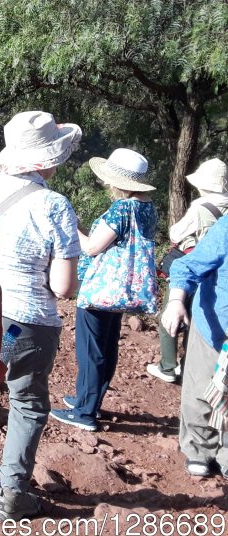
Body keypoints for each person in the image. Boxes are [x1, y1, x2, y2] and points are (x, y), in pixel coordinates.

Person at [0, 111, 81, 521]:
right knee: (27, 403)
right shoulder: (54, 204)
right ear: (48, 160)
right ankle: (11, 492)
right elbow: (63, 287)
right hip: (28, 320)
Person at [51, 148, 158, 432]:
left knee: (92, 350)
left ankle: (86, 412)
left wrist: (71, 226)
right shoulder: (147, 207)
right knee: (107, 347)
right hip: (122, 289)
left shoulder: (123, 208)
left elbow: (91, 247)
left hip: (101, 290)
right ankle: (88, 398)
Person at [147, 159, 228, 383]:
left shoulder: (200, 207)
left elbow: (175, 234)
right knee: (198, 317)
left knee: (171, 314)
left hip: (192, 267)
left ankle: (168, 366)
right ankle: (189, 365)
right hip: (216, 275)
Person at [164, 218, 228, 477]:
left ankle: (225, 453)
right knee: (201, 388)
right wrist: (176, 301)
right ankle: (198, 449)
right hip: (214, 325)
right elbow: (187, 266)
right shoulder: (226, 227)